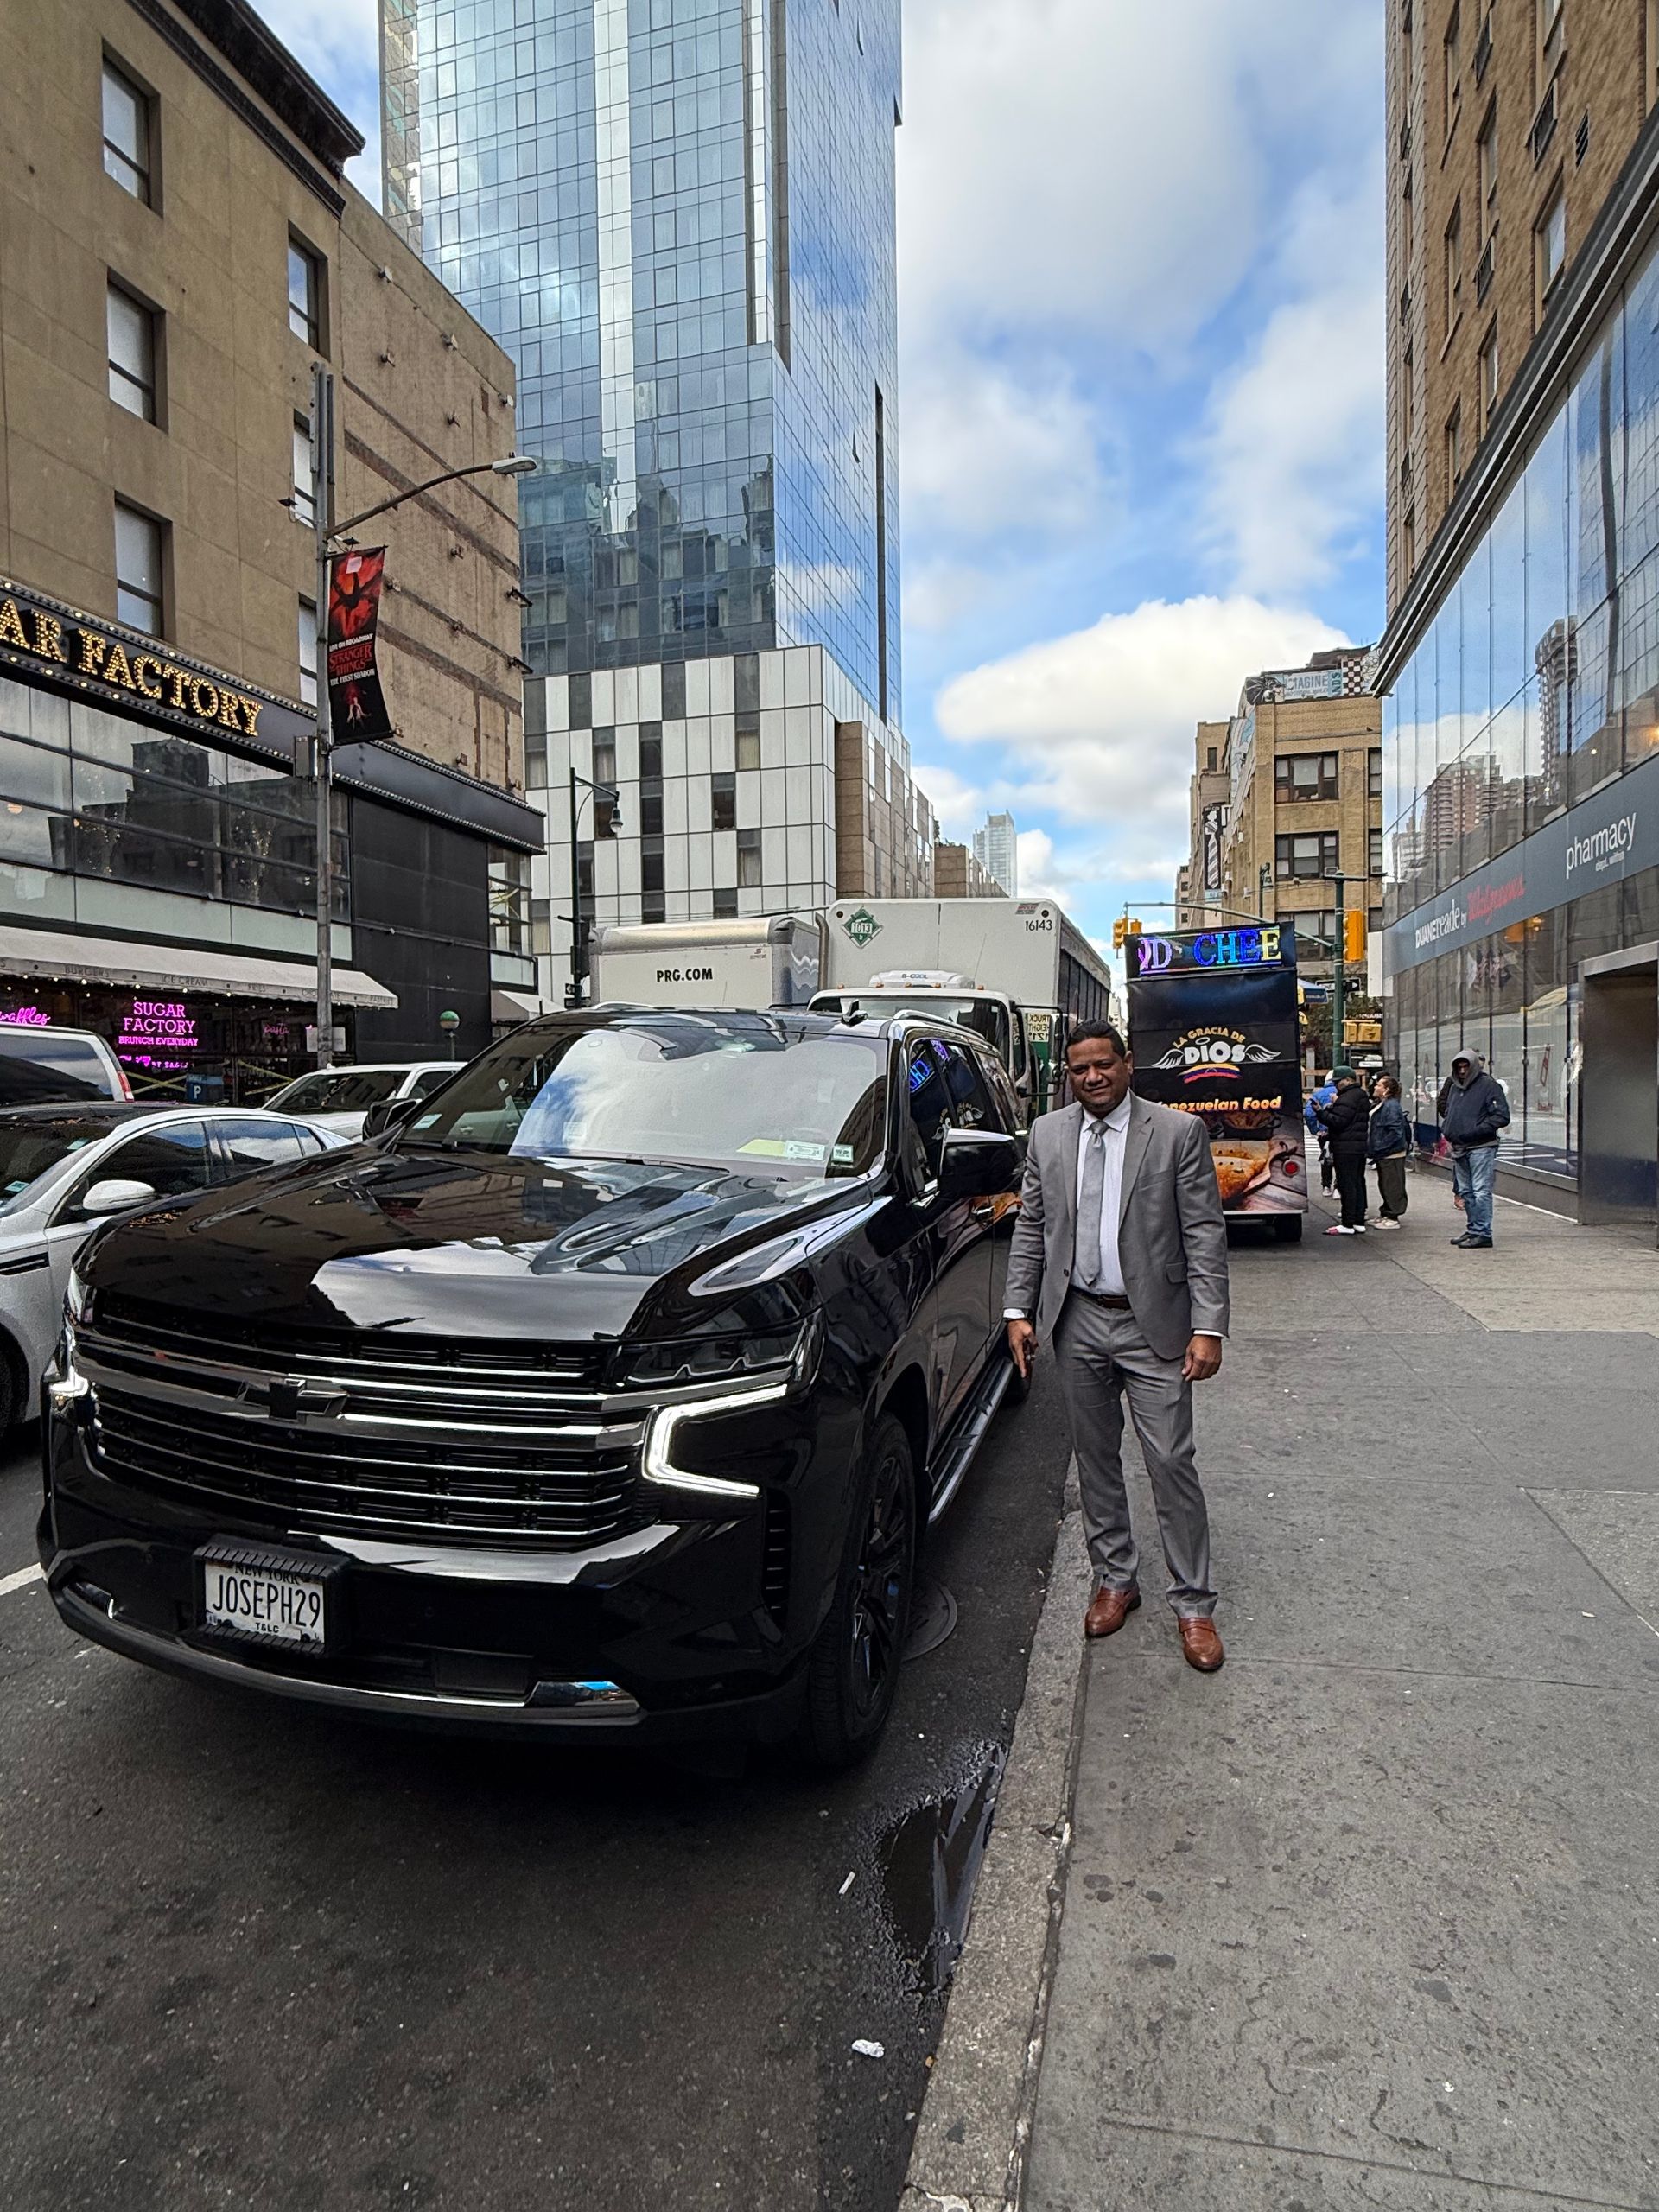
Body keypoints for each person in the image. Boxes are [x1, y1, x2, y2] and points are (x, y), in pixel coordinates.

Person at [1004, 1021, 1230, 1673]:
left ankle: (1193, 1605)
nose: (1093, 1078)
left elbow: (1204, 1234)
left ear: (1127, 1065)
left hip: (1153, 1325)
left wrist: (1208, 1326)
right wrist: (1019, 1311)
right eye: (1080, 1070)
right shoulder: (1048, 1134)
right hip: (1076, 1321)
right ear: (1067, 1075)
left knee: (1170, 1462)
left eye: (1104, 1065)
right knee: (1095, 1459)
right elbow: (1033, 1228)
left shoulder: (1176, 1132)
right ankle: (1116, 1580)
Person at [1436, 1047, 1510, 1248]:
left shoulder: (1488, 1085)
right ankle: (1474, 1229)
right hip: (1460, 1145)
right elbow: (1447, 1108)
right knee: (1466, 1191)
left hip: (1481, 1145)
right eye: (1459, 1068)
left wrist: (1475, 1131)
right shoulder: (1455, 1087)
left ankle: (1482, 1232)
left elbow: (1501, 1116)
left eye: (1465, 1067)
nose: (1462, 1071)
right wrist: (1450, 1129)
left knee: (1480, 1190)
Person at [1315, 1066, 1370, 1235]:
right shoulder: (1361, 1096)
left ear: (1347, 1080)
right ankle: (1358, 1221)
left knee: (1347, 1185)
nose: (1336, 1085)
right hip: (1358, 1146)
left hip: (1345, 1147)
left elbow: (1338, 1121)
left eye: (1338, 1082)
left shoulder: (1347, 1098)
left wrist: (1321, 1112)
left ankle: (1347, 1223)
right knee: (1358, 1183)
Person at [1367, 1072, 1411, 1229]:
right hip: (1384, 1152)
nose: (1375, 1087)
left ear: (1386, 1090)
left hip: (1390, 1152)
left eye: (1379, 1085)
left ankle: (1393, 1215)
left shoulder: (1391, 1106)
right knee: (1386, 1183)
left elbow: (1395, 1131)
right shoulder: (1383, 1103)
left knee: (1392, 1184)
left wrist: (1380, 1147)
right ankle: (1386, 1212)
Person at [1305, 1070, 1337, 1193]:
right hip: (1340, 1132)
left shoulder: (1318, 1094)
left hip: (1324, 1133)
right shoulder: (1343, 1093)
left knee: (1326, 1157)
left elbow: (1309, 1113)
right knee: (1340, 1160)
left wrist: (1315, 1130)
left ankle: (1326, 1186)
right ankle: (1338, 1188)